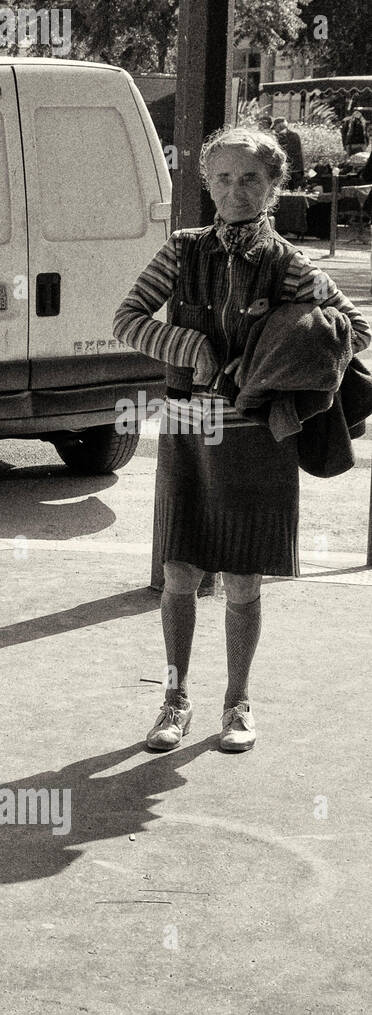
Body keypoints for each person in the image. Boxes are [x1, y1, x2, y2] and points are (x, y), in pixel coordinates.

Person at [113, 127, 370, 753]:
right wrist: (189, 345)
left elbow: (354, 330)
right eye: (223, 178)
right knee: (178, 571)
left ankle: (237, 704)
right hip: (187, 423)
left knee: (244, 579)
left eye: (251, 178)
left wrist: (280, 334)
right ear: (206, 183)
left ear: (274, 186)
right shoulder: (180, 251)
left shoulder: (288, 263)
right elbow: (126, 319)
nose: (236, 190)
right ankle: (174, 702)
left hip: (257, 435)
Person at [271, 117, 305, 190]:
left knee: (293, 193)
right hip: (287, 170)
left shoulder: (293, 136)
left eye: (275, 127)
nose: (274, 130)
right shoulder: (278, 137)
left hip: (294, 170)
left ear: (279, 126)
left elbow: (289, 152)